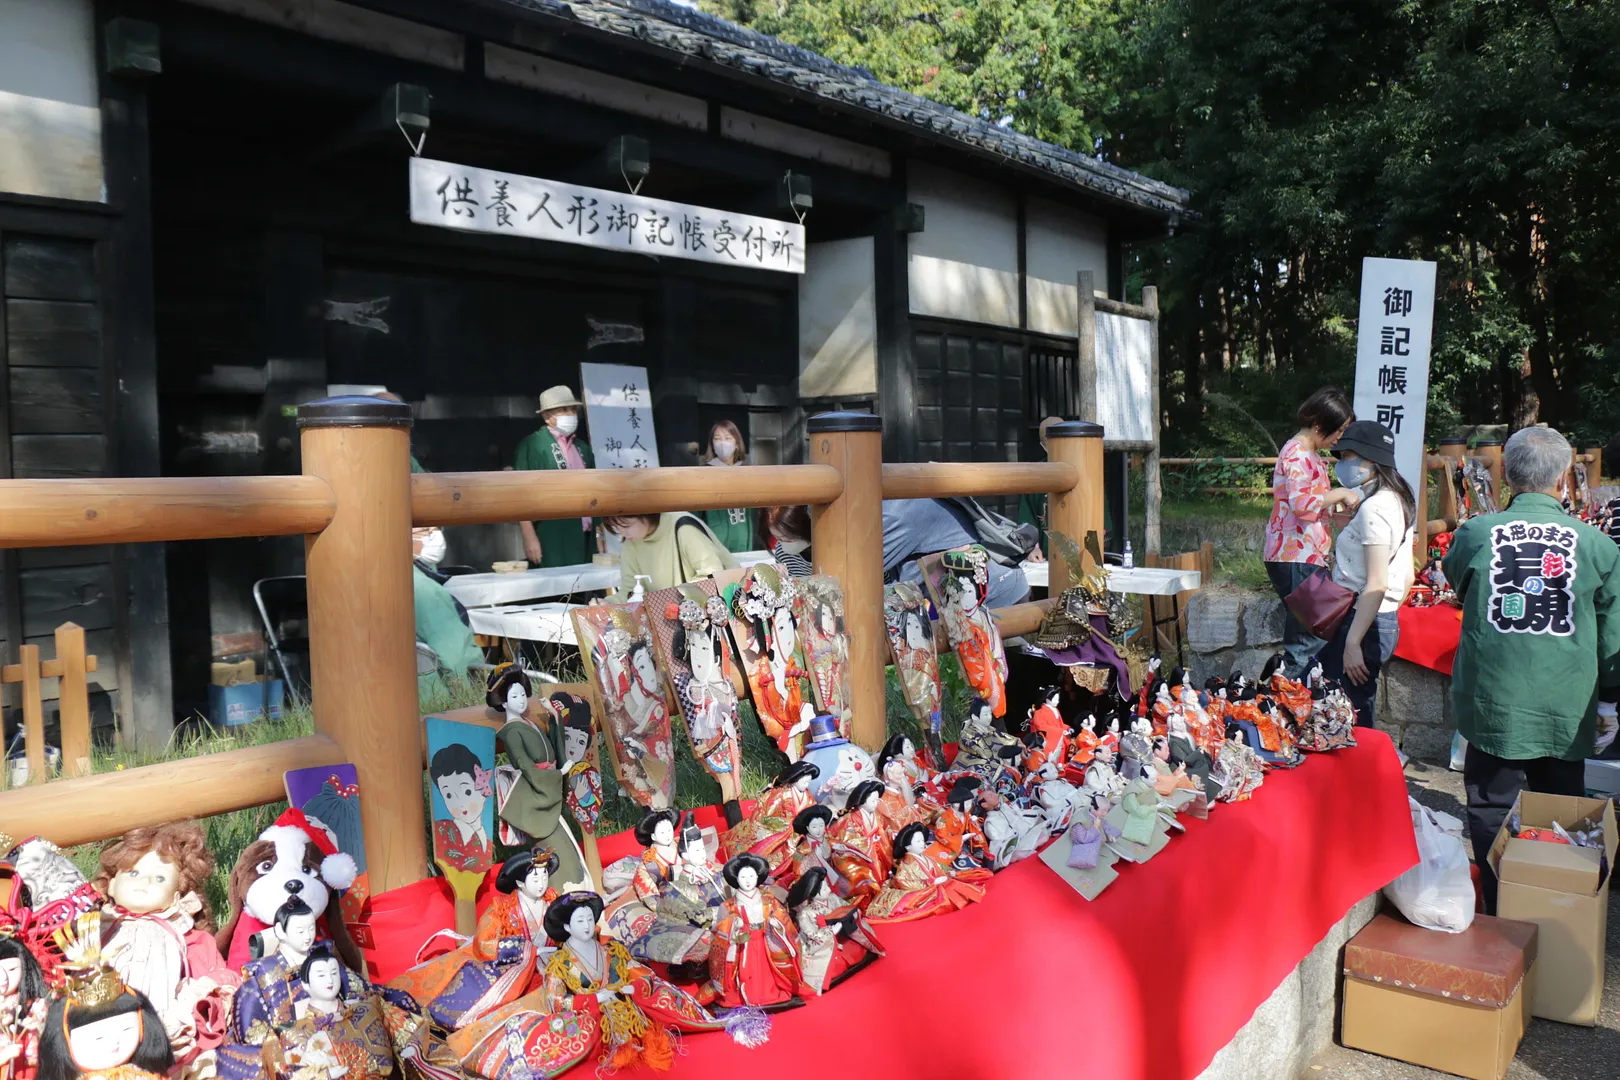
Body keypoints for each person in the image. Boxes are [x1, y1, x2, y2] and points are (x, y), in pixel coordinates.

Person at [1444, 426, 1620, 913]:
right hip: (1565, 702)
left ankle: (1501, 907)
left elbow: (1458, 582)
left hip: (1493, 700)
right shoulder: (1598, 546)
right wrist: (1609, 698)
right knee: (1561, 807)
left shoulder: (1476, 533)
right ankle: (1554, 906)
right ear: (1564, 477)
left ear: (1506, 475)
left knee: (1489, 804)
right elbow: (1612, 634)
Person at [1314, 421, 1415, 727]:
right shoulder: (1398, 499)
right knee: (1355, 709)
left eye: (1348, 456)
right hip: (1376, 619)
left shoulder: (1376, 507)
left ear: (1373, 460)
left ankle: (1359, 776)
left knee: (1346, 717)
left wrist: (1354, 641)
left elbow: (1377, 582)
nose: (1343, 464)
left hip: (1360, 621)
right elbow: (1407, 575)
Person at [1263, 387, 1361, 670]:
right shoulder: (1297, 453)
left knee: (1310, 637)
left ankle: (1288, 701)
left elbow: (1313, 504)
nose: (1340, 437)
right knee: (1306, 642)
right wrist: (1341, 493)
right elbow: (1303, 505)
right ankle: (1288, 704)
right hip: (1295, 556)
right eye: (1338, 430)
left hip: (1303, 555)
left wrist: (1334, 513)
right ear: (1319, 425)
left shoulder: (1311, 453)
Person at [882, 499, 1030, 610]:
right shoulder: (895, 502)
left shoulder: (894, 512)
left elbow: (863, 573)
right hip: (970, 595)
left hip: (990, 595)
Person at [514, 385, 596, 568]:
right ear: (546, 416)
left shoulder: (582, 447)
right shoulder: (533, 445)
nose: (571, 414)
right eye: (564, 410)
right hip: (552, 534)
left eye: (573, 409)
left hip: (586, 535)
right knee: (559, 590)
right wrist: (529, 537)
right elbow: (519, 494)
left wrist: (600, 533)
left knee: (588, 587)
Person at [412, 526, 482, 698]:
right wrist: (470, 702)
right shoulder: (424, 591)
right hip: (435, 700)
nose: (435, 534)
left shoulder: (378, 579)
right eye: (427, 529)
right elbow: (455, 658)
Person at [604, 512, 737, 600]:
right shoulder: (630, 542)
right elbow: (629, 592)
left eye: (626, 526)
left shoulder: (682, 528)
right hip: (675, 616)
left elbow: (712, 575)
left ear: (646, 515)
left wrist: (665, 600)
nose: (623, 532)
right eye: (616, 527)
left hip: (718, 610)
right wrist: (605, 605)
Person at [702, 420, 756, 553]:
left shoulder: (747, 473)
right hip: (715, 542)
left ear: (737, 443)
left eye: (727, 438)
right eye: (717, 439)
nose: (722, 443)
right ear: (712, 444)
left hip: (744, 538)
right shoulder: (703, 474)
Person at [762, 504, 813, 578]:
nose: (784, 545)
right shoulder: (782, 554)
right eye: (778, 539)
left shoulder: (828, 549)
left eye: (789, 539)